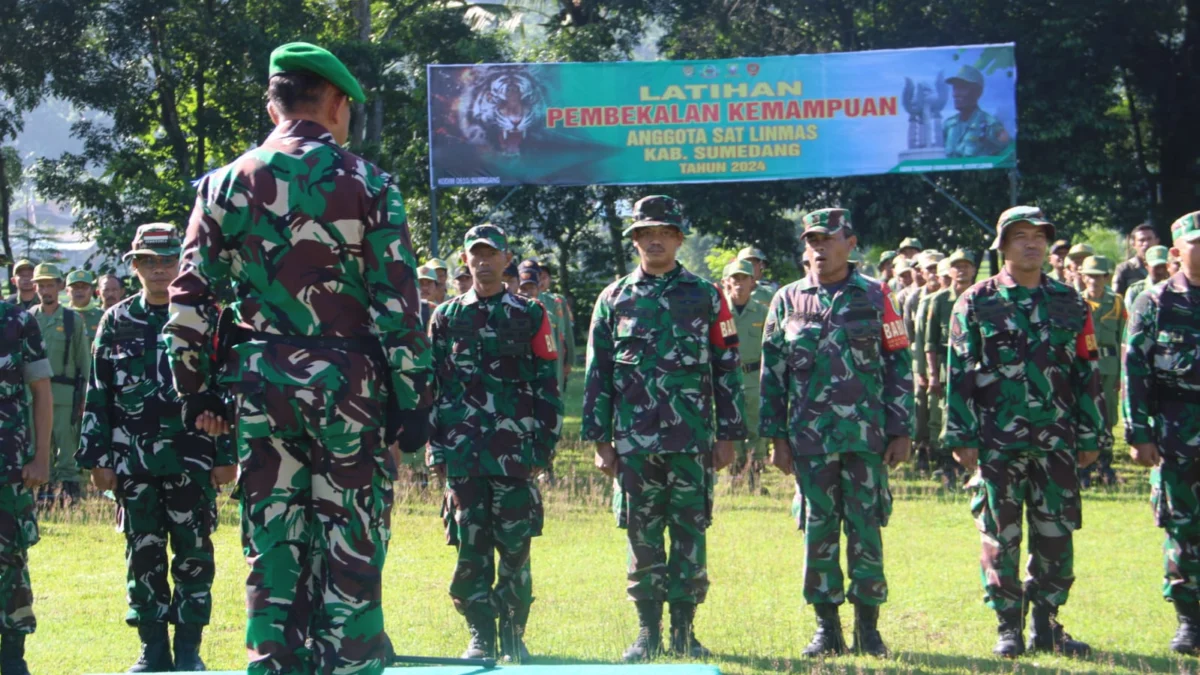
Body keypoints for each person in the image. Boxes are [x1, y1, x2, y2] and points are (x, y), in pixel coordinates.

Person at [163, 42, 431, 675]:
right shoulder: (369, 183)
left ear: (273, 103)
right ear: (336, 102)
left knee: (272, 543)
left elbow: (190, 297)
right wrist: (414, 399)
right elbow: (397, 302)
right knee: (351, 546)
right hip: (351, 389)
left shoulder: (225, 182)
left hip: (262, 389)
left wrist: (193, 388)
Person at [582, 195, 744, 662]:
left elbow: (726, 364)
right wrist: (600, 440)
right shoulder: (613, 298)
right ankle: (647, 632)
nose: (654, 240)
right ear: (634, 240)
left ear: (677, 239)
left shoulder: (707, 296)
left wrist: (728, 434)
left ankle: (685, 632)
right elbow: (599, 374)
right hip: (634, 442)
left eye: (664, 232)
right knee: (642, 534)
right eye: (644, 233)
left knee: (691, 533)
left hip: (691, 440)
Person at [943, 205, 1108, 658]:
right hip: (998, 442)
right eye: (1020, 236)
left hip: (1057, 441)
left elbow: (1087, 373)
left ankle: (1047, 625)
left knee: (1056, 534)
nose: (1031, 243)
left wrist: (1093, 435)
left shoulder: (1071, 302)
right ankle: (1008, 627)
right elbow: (958, 372)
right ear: (1003, 245)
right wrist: (961, 436)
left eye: (1038, 235)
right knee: (1001, 535)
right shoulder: (977, 301)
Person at [76, 224, 236, 672]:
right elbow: (98, 393)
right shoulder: (115, 320)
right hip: (134, 464)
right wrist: (98, 458)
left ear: (182, 264)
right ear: (135, 266)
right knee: (143, 555)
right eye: (150, 260)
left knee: (194, 555)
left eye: (168, 259)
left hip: (193, 459)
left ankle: (188, 649)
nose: (160, 268)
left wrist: (227, 455)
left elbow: (226, 392)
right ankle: (152, 649)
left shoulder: (204, 318)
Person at [760, 207, 913, 657]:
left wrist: (901, 427)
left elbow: (898, 364)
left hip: (866, 439)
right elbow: (773, 375)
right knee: (818, 533)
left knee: (866, 530)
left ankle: (869, 627)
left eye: (827, 239)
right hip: (810, 440)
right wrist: (776, 438)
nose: (819, 248)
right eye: (812, 241)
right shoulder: (787, 300)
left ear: (850, 242)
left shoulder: (878, 296)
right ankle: (827, 628)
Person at [428, 224, 562, 663]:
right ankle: (480, 633)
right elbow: (433, 388)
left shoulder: (530, 314)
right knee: (470, 546)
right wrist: (436, 449)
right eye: (475, 254)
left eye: (492, 254)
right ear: (464, 261)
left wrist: (544, 446)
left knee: (516, 547)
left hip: (514, 454)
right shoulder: (446, 318)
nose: (483, 262)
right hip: (464, 452)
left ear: (507, 260)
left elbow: (548, 384)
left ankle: (513, 634)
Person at [1124, 210, 1200, 656]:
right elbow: (1135, 371)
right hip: (1177, 431)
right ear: (1176, 251)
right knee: (1183, 526)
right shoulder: (1154, 303)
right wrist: (1138, 432)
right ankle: (1190, 619)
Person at [0, 299, 52, 674]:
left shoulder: (18, 320)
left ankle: (13, 655)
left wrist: (42, 456)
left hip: (8, 468)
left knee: (12, 559)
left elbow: (42, 391)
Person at [28, 263, 90, 503]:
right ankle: (44, 492)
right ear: (35, 287)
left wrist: (85, 396)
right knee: (38, 443)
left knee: (66, 444)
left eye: (50, 284)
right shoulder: (28, 318)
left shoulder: (72, 319)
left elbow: (83, 361)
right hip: (32, 392)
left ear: (60, 286)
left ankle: (70, 493)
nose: (46, 290)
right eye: (41, 285)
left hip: (64, 392)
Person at [923, 249, 977, 488]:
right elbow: (930, 342)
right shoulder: (939, 300)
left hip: (976, 368)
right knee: (947, 417)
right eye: (957, 266)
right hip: (948, 369)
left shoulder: (983, 296)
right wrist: (933, 375)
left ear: (974, 269)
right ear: (950, 270)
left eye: (966, 266)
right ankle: (948, 467)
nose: (962, 270)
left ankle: (973, 470)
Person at [1076, 255, 1124, 488]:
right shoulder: (1076, 302)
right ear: (1083, 277)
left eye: (1099, 276)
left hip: (1110, 367)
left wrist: (1122, 375)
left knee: (1108, 416)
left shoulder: (1116, 303)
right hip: (1085, 366)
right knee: (1085, 412)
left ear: (1107, 277)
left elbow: (1122, 338)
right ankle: (1083, 466)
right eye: (1090, 276)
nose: (1094, 281)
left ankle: (1105, 464)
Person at [721, 259, 769, 489]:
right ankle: (735, 475)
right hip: (728, 377)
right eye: (735, 279)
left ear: (753, 282)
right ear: (728, 283)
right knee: (731, 426)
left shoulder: (762, 311)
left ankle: (755, 476)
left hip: (754, 377)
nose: (739, 284)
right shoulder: (720, 312)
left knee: (756, 428)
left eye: (744, 278)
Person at [906, 251, 943, 472]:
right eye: (929, 268)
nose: (934, 273)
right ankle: (921, 448)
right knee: (921, 405)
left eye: (937, 268)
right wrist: (920, 368)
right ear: (921, 271)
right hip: (918, 355)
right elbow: (910, 335)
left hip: (943, 359)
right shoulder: (915, 298)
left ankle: (942, 452)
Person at [943, 65, 1012, 158]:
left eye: (962, 88)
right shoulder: (949, 125)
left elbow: (1008, 154)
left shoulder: (989, 125)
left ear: (977, 92)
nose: (955, 94)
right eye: (955, 88)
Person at [1114, 223, 1160, 296]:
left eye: (1149, 239)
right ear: (1133, 244)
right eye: (1141, 240)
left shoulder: (1167, 266)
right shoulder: (1125, 269)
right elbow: (1116, 298)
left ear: (1157, 241)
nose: (1146, 244)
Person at [1123, 245, 1170, 310]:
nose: (1161, 271)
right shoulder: (1136, 291)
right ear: (1146, 265)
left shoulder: (1177, 289)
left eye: (1164, 266)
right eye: (1156, 267)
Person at [65, 270, 104, 346]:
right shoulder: (61, 316)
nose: (80, 290)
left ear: (92, 290)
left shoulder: (102, 316)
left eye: (84, 287)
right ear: (67, 291)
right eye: (75, 287)